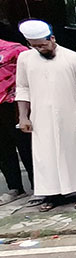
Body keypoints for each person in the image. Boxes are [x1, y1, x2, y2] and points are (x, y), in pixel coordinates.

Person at [15, 20, 76, 212]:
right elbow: (22, 88)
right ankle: (52, 194)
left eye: (43, 45)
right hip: (40, 117)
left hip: (72, 115)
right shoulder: (25, 59)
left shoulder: (75, 59)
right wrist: (23, 117)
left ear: (52, 39)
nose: (39, 49)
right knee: (45, 156)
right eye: (34, 46)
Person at [0, 31, 32, 205]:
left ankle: (37, 186)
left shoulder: (15, 49)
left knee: (26, 144)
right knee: (3, 149)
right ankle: (15, 188)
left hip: (14, 103)